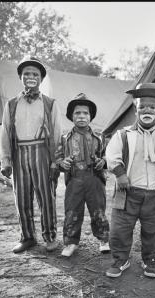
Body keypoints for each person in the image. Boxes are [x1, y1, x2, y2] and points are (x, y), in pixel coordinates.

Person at [105, 82, 155, 278]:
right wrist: (121, 174)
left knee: (152, 231)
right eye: (142, 106)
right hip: (127, 192)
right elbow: (112, 156)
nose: (146, 110)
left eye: (152, 107)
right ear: (135, 108)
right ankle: (120, 260)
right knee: (120, 229)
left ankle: (150, 261)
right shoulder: (124, 135)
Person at [0, 56, 62, 253]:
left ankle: (50, 235)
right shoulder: (11, 104)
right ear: (21, 77)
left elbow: (57, 133)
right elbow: (5, 131)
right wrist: (6, 159)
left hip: (42, 152)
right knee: (22, 197)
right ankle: (27, 237)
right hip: (19, 153)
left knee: (46, 195)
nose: (31, 77)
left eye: (35, 74)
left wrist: (55, 161)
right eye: (26, 73)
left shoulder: (50, 103)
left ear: (41, 78)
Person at [55, 93, 110, 257]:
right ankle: (71, 242)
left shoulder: (100, 137)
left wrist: (103, 162)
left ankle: (103, 239)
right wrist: (61, 164)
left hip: (94, 179)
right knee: (72, 211)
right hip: (74, 181)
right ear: (71, 116)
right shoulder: (65, 139)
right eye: (77, 113)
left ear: (90, 116)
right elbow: (57, 158)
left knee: (98, 210)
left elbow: (109, 156)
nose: (81, 116)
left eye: (85, 113)